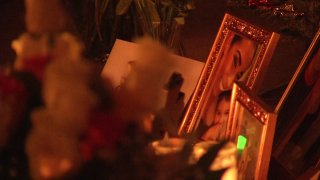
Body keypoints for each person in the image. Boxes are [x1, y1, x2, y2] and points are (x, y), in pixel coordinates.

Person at [202, 34, 257, 128]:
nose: (232, 78)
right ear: (227, 42)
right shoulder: (202, 67)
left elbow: (209, 122)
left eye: (239, 75)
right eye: (235, 61)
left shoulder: (225, 96)